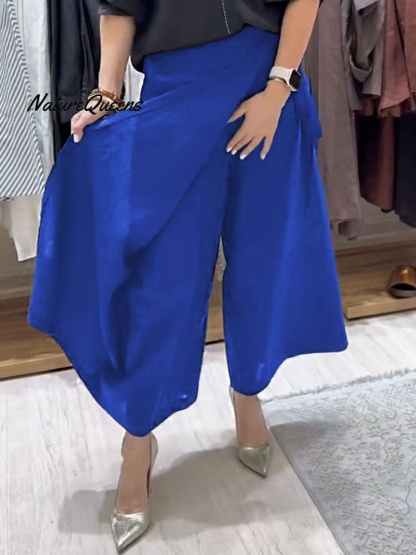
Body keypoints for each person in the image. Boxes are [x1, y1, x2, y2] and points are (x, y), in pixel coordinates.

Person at [28, 0, 348, 552]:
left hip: (267, 80)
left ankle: (249, 392)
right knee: (161, 283)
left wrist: (279, 87)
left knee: (264, 261)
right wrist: (106, 94)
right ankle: (138, 438)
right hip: (175, 93)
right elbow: (120, 6)